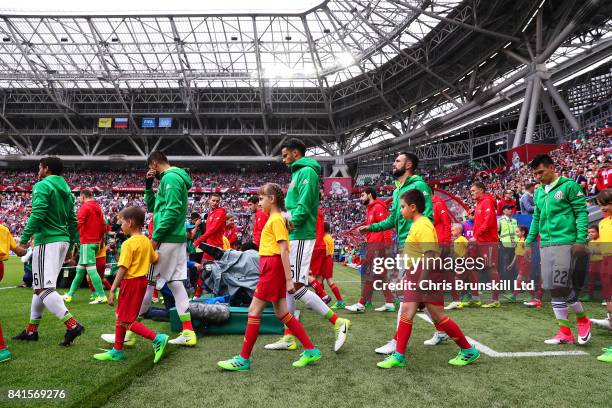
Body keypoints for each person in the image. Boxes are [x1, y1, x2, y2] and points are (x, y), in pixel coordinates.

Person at [217, 183, 321, 371]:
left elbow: (283, 250)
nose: (260, 202)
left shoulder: (275, 220)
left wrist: (289, 279)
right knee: (282, 313)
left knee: (253, 311)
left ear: (272, 199)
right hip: (271, 268)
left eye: (262, 198)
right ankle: (311, 350)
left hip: (272, 269)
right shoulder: (276, 219)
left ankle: (243, 359)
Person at [376, 189, 480, 369]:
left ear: (413, 207)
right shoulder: (417, 224)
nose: (400, 211)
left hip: (425, 275)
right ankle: (399, 355)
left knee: (434, 316)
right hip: (418, 274)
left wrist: (420, 281)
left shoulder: (422, 225)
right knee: (410, 313)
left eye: (402, 207)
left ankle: (468, 350)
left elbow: (430, 254)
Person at [265, 138, 350, 352]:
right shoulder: (298, 173)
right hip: (296, 234)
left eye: (285, 155)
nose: (283, 159)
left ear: (295, 153)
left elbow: (302, 208)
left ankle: (338, 322)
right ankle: (289, 336)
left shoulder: (307, 173)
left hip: (300, 234)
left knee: (295, 286)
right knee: (290, 287)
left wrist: (286, 225)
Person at [358, 152, 434, 355]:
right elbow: (392, 220)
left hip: (413, 250)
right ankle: (442, 330)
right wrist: (371, 228)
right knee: (418, 298)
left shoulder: (419, 186)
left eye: (397, 161)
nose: (393, 164)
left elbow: (427, 217)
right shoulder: (398, 190)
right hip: (402, 247)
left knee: (407, 296)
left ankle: (396, 342)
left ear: (409, 165)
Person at [12, 157, 85, 347]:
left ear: (46, 168)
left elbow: (38, 213)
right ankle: (31, 331)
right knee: (39, 288)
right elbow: (71, 220)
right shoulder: (67, 191)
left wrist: (23, 240)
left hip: (47, 241)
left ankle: (72, 325)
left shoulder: (42, 185)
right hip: (62, 240)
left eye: (39, 167)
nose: (38, 170)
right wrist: (71, 246)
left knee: (44, 288)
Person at [524, 154, 591, 345]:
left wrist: (579, 240)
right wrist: (529, 242)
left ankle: (582, 319)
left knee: (560, 284)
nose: (538, 177)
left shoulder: (569, 186)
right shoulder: (538, 192)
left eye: (541, 172)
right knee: (553, 289)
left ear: (552, 167)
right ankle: (565, 333)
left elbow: (581, 213)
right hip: (545, 244)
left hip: (566, 242)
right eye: (535, 174)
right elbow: (536, 218)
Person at [93, 206, 169, 363]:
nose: (120, 226)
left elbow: (122, 269)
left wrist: (112, 290)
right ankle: (117, 350)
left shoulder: (128, 244)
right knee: (122, 316)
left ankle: (157, 338)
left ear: (130, 222)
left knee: (126, 320)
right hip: (141, 281)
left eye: (121, 223)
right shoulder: (147, 241)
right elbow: (155, 259)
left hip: (131, 282)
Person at [139, 151, 196, 346]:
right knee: (175, 284)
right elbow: (153, 207)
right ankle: (188, 332)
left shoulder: (171, 178)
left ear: (154, 164)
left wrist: (156, 238)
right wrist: (148, 186)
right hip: (175, 238)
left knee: (146, 280)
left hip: (167, 238)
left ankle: (128, 331)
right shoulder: (169, 178)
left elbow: (171, 210)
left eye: (150, 167)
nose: (150, 171)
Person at [346, 187, 395, 313]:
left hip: (379, 246)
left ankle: (361, 304)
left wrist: (387, 245)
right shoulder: (370, 209)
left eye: (362, 195)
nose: (360, 198)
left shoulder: (378, 207)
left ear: (369, 195)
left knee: (370, 273)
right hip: (374, 244)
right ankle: (389, 302)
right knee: (381, 275)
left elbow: (386, 226)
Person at [63, 189, 108, 304]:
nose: (79, 200)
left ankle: (102, 296)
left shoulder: (85, 207)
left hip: (87, 242)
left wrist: (69, 236)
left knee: (92, 271)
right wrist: (101, 239)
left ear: (83, 196)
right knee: (80, 271)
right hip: (95, 242)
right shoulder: (97, 207)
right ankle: (69, 295)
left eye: (80, 198)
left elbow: (79, 223)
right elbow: (103, 226)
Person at [470, 182, 501, 308]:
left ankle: (495, 300)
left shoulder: (487, 201)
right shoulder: (479, 203)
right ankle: (475, 297)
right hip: (479, 241)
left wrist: (476, 236)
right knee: (473, 267)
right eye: (471, 191)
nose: (471, 193)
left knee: (491, 268)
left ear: (481, 190)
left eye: (473, 190)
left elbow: (488, 222)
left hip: (488, 241)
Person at [589, 188, 612, 362]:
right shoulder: (603, 223)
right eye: (600, 205)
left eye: (606, 204)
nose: (602, 208)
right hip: (606, 263)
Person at [193, 193, 226, 299]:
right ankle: (198, 295)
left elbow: (213, 230)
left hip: (216, 248)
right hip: (209, 247)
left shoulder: (221, 211)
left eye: (217, 201)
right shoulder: (210, 213)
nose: (215, 203)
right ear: (209, 200)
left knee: (216, 272)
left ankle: (217, 295)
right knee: (203, 270)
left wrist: (198, 241)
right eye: (213, 200)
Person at [504, 225, 543, 305]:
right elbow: (516, 253)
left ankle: (514, 296)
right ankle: (534, 295)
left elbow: (529, 253)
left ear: (523, 232)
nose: (516, 233)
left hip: (524, 261)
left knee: (520, 277)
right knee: (526, 280)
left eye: (517, 231)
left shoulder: (526, 241)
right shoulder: (519, 240)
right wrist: (512, 264)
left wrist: (527, 261)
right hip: (519, 260)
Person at [319, 222, 344, 310]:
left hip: (326, 260)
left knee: (328, 280)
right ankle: (322, 301)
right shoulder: (328, 237)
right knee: (320, 280)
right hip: (328, 259)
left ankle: (340, 301)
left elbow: (325, 252)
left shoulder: (325, 238)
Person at [498, 205, 518, 283]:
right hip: (504, 246)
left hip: (514, 245)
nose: (510, 210)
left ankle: (513, 285)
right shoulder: (500, 220)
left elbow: (517, 232)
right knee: (504, 265)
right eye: (508, 209)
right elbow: (496, 233)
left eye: (511, 209)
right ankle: (504, 286)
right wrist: (499, 243)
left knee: (514, 265)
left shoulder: (515, 220)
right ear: (504, 211)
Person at [582, 225, 603, 302]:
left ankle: (606, 298)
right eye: (589, 232)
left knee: (604, 280)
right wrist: (586, 242)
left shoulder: (602, 239)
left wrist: (591, 250)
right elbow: (586, 250)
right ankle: (589, 295)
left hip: (602, 262)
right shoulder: (590, 241)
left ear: (598, 232)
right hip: (592, 262)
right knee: (591, 280)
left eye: (593, 232)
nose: (590, 234)